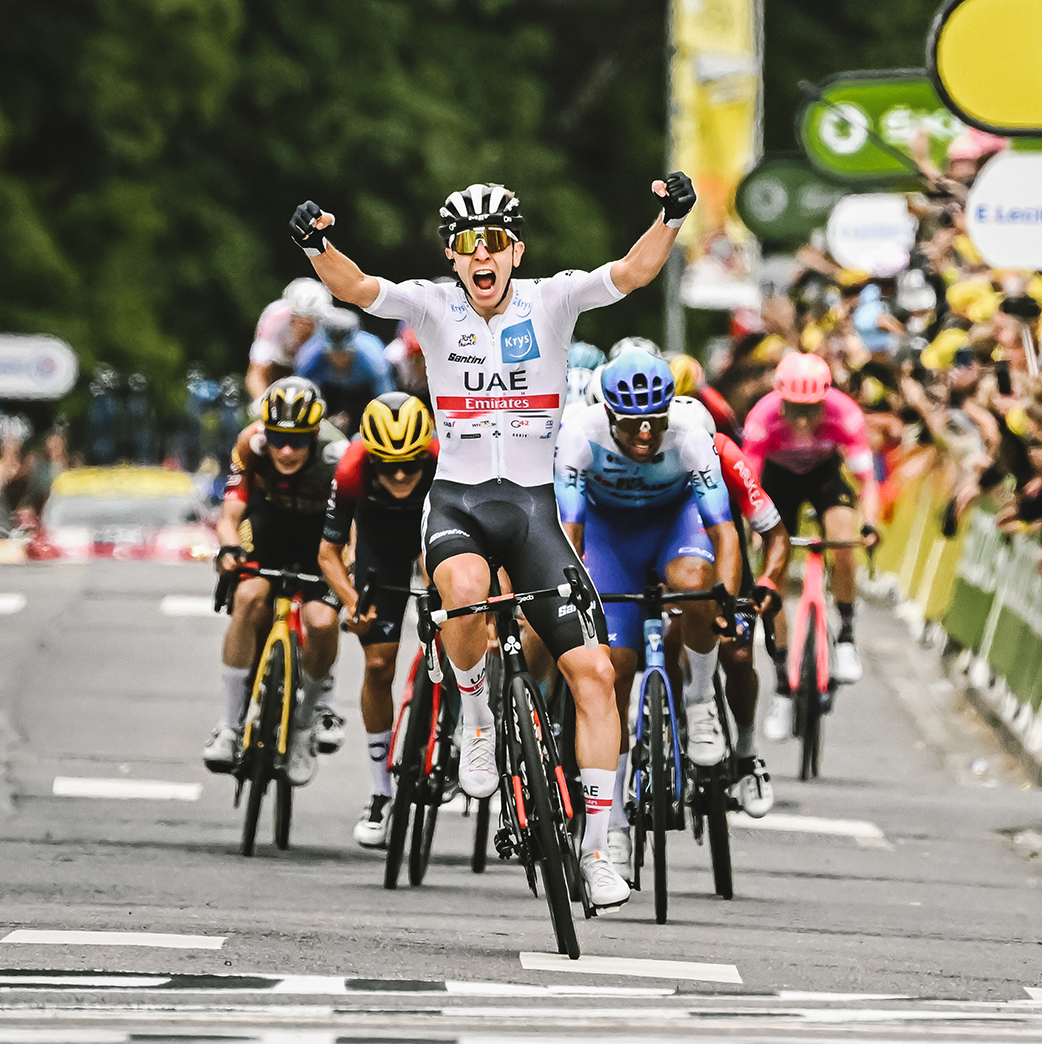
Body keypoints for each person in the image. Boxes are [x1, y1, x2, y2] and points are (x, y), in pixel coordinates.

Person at [287, 173, 696, 911]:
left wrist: (669, 216)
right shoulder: (433, 304)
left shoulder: (554, 298)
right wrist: (317, 244)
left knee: (595, 676)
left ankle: (601, 854)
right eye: (469, 244)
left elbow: (632, 273)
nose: (483, 256)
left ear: (516, 250)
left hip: (534, 512)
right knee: (467, 598)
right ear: (452, 255)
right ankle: (475, 719)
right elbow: (354, 287)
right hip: (460, 504)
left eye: (496, 243)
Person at [554, 349, 740, 870]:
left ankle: (701, 701)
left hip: (673, 527)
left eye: (654, 423)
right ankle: (609, 825)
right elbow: (570, 531)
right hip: (610, 539)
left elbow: (723, 529)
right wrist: (569, 593)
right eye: (631, 425)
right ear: (609, 415)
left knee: (695, 583)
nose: (644, 436)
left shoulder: (688, 432)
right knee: (613, 669)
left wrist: (721, 600)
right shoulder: (579, 432)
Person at [203, 377, 349, 785]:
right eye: (278, 439)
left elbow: (355, 530)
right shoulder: (250, 444)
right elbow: (231, 516)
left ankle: (305, 723)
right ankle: (229, 727)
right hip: (270, 525)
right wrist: (230, 550)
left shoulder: (339, 455)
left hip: (323, 534)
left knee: (321, 621)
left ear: (315, 434)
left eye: (299, 441)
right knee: (250, 596)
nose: (286, 450)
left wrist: (346, 574)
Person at [318, 392, 438, 848]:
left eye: (411, 463)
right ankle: (379, 790)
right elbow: (328, 552)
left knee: (456, 615)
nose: (403, 475)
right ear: (372, 457)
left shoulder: (442, 456)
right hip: (379, 547)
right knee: (377, 665)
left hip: (433, 537)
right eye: (389, 466)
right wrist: (350, 600)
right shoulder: (351, 467)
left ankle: (466, 731)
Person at [671, 392, 788, 815]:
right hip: (672, 558)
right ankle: (664, 733)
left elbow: (774, 532)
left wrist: (771, 580)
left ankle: (746, 752)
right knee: (662, 642)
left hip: (724, 563)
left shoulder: (725, 452)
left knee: (738, 657)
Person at [741, 352, 878, 689]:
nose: (802, 421)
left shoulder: (845, 413)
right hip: (777, 480)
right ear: (780, 399)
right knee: (773, 572)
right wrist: (753, 529)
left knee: (843, 539)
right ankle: (782, 678)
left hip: (823, 477)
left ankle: (846, 636)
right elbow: (748, 484)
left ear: (825, 399)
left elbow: (867, 479)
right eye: (795, 410)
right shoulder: (762, 417)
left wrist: (870, 524)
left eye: (811, 409)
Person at [295, 309, 397, 432]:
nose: (339, 359)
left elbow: (386, 397)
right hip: (329, 395)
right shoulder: (307, 358)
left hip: (364, 395)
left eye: (345, 352)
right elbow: (300, 397)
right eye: (332, 352)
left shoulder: (373, 360)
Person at [247, 278, 333, 399]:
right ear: (291, 315)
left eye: (311, 323)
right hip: (280, 368)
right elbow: (256, 372)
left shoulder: (331, 322)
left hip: (316, 370)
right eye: (299, 320)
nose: (304, 328)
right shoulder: (274, 319)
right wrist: (260, 401)